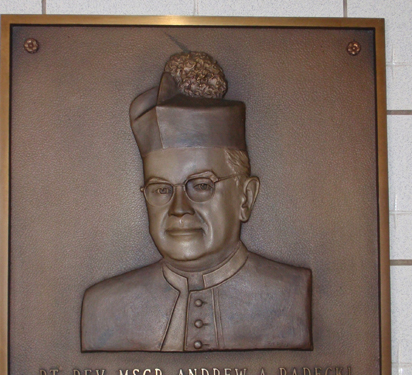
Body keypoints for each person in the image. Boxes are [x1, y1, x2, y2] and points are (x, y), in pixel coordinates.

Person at [81, 52, 312, 352]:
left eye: (201, 185)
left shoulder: (293, 295)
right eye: (161, 190)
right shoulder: (104, 308)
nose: (179, 209)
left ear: (246, 197)